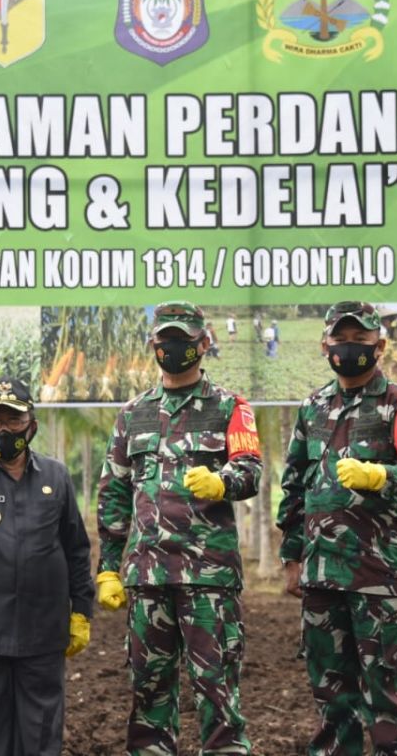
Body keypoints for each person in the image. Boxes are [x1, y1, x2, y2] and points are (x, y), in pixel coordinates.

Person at [97, 300, 262, 755]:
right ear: (152, 345)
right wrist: (109, 567)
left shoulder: (231, 407)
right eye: (164, 340)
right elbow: (114, 492)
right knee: (148, 692)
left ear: (204, 343)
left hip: (208, 577)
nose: (173, 349)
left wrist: (221, 481)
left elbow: (251, 471)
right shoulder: (133, 413)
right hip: (148, 577)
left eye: (183, 341)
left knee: (217, 689)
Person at [278, 301, 397, 756]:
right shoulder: (312, 407)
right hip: (320, 576)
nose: (349, 349)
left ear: (379, 345)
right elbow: (294, 486)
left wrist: (381, 476)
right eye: (340, 341)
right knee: (330, 695)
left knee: (385, 693)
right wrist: (292, 558)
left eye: (360, 341)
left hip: (376, 575)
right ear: (325, 345)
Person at [0, 377, 94, 755]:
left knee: (40, 737)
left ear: (32, 424)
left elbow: (76, 547)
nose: (5, 429)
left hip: (42, 633)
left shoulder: (56, 476)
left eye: (14, 419)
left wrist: (81, 612)